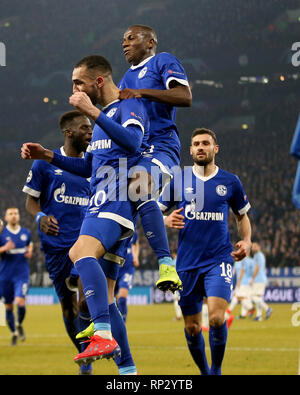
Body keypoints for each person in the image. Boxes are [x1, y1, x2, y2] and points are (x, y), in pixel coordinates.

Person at [21, 54, 150, 373]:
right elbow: (89, 166)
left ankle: (102, 333)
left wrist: (91, 111)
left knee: (80, 252)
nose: (74, 88)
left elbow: (133, 142)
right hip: (105, 206)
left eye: (79, 82)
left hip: (115, 202)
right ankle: (128, 371)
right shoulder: (103, 122)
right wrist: (48, 155)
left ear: (99, 81)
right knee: (105, 298)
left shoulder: (126, 105)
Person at [158, 128, 252, 375]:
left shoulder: (230, 181)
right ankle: (204, 371)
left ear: (215, 149)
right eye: (196, 144)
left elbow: (242, 216)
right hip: (187, 263)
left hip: (218, 259)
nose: (200, 147)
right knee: (192, 328)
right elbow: (154, 212)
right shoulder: (179, 179)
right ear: (190, 150)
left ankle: (216, 370)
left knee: (217, 319)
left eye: (206, 143)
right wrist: (166, 220)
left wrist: (247, 240)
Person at [119, 24, 192, 291]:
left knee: (138, 184)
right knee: (114, 199)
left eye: (130, 38)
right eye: (123, 40)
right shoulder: (126, 78)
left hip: (161, 145)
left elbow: (184, 96)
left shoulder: (163, 61)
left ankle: (166, 264)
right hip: (135, 148)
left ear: (150, 42)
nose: (124, 44)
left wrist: (142, 92)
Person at [22, 110, 94, 374]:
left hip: (87, 241)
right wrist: (40, 215)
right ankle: (84, 356)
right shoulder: (44, 163)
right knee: (68, 307)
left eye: (91, 128)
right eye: (85, 128)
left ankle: (99, 342)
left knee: (87, 299)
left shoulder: (94, 163)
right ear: (68, 132)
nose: (90, 132)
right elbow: (31, 201)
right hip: (55, 247)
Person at [0, 207, 33, 346]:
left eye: (16, 213)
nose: (14, 216)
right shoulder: (1, 234)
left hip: (22, 274)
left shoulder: (26, 233)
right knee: (7, 307)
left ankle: (19, 323)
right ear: (6, 217)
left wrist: (30, 251)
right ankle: (14, 333)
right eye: (10, 214)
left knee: (20, 302)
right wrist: (4, 248)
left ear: (19, 216)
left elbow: (29, 246)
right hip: (5, 275)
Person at [115, 230, 139, 322]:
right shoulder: (113, 226)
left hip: (127, 268)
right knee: (111, 301)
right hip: (114, 266)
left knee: (122, 298)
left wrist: (136, 256)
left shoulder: (133, 230)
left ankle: (122, 324)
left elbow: (135, 244)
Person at [250, 242, 272, 321]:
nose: (253, 248)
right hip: (260, 279)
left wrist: (252, 279)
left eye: (255, 246)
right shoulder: (258, 255)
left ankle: (267, 308)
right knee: (258, 298)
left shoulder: (258, 255)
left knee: (253, 296)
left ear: (259, 247)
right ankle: (259, 316)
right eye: (252, 247)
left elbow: (257, 268)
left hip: (259, 280)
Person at [234, 253, 255, 320]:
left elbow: (242, 270)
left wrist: (239, 281)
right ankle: (243, 314)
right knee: (245, 297)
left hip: (244, 282)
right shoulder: (251, 261)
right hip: (248, 282)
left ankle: (251, 308)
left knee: (239, 296)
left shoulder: (244, 261)